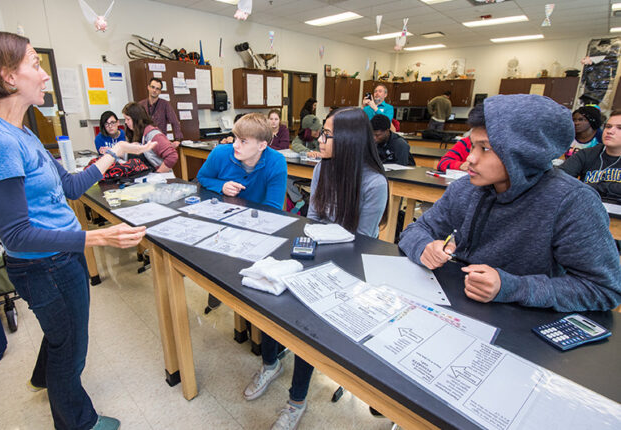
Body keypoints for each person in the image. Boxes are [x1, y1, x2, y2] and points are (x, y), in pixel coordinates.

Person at [0, 31, 157, 430]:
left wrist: (113, 154)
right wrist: (98, 237)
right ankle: (77, 423)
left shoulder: (18, 129)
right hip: (45, 266)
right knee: (72, 351)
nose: (45, 74)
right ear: (8, 76)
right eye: (35, 64)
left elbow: (67, 187)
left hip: (56, 259)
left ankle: (40, 378)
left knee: (59, 333)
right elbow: (16, 235)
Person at [398, 94, 620, 312]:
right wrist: (425, 247)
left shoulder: (573, 203)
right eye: (472, 146)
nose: (470, 159)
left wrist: (512, 287)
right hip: (458, 304)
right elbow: (416, 229)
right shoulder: (465, 188)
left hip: (524, 322)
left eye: (485, 148)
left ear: (524, 153)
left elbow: (603, 288)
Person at [244, 107, 388, 430]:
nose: (318, 139)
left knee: (309, 319)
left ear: (349, 139)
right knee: (271, 289)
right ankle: (270, 364)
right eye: (322, 131)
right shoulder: (323, 167)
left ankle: (296, 400)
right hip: (317, 249)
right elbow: (313, 219)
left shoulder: (375, 184)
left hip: (348, 265)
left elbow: (360, 245)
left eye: (327, 134)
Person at [197, 113, 287, 313]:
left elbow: (272, 208)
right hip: (223, 221)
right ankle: (218, 286)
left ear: (262, 145)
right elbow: (202, 177)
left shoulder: (277, 162)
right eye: (236, 138)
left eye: (243, 141)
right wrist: (222, 186)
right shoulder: (221, 153)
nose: (235, 144)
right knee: (219, 262)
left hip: (258, 225)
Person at [561, 109, 621, 202]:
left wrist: (587, 186)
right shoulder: (586, 154)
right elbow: (560, 178)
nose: (610, 131)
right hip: (584, 206)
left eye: (619, 128)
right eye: (608, 126)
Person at [122, 102, 178, 173]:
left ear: (136, 119)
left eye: (128, 119)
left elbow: (172, 156)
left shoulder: (153, 134)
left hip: (157, 179)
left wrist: (158, 174)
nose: (126, 122)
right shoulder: (134, 134)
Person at [138, 77, 183, 147]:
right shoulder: (140, 105)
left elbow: (175, 122)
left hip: (160, 142)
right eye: (152, 87)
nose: (154, 90)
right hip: (143, 142)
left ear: (160, 91)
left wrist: (177, 139)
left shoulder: (165, 104)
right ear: (148, 87)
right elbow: (135, 123)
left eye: (157, 88)